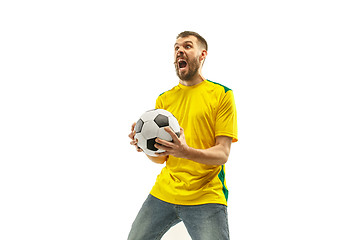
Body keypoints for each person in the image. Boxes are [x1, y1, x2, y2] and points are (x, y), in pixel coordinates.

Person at [128, 31, 238, 240]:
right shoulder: (164, 100)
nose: (179, 51)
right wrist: (144, 147)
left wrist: (186, 152)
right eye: (176, 48)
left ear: (202, 54)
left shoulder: (222, 95)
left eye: (187, 46)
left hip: (206, 195)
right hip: (165, 191)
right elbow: (161, 158)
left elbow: (222, 153)